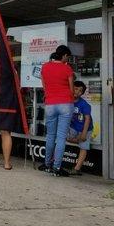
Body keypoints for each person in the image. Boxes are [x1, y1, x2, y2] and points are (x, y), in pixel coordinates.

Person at [41, 45, 75, 177]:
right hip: (66, 104)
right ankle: (57, 167)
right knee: (61, 137)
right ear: (64, 55)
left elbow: (44, 86)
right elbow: (72, 90)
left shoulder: (45, 67)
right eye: (67, 57)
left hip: (50, 104)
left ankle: (47, 164)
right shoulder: (67, 68)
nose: (68, 59)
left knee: (50, 135)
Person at [67, 81, 93, 176]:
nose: (77, 91)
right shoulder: (67, 101)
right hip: (73, 127)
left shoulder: (84, 104)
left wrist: (84, 133)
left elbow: (87, 119)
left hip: (86, 128)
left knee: (83, 147)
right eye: (75, 88)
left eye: (80, 90)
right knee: (67, 139)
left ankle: (77, 169)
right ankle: (80, 141)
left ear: (82, 93)